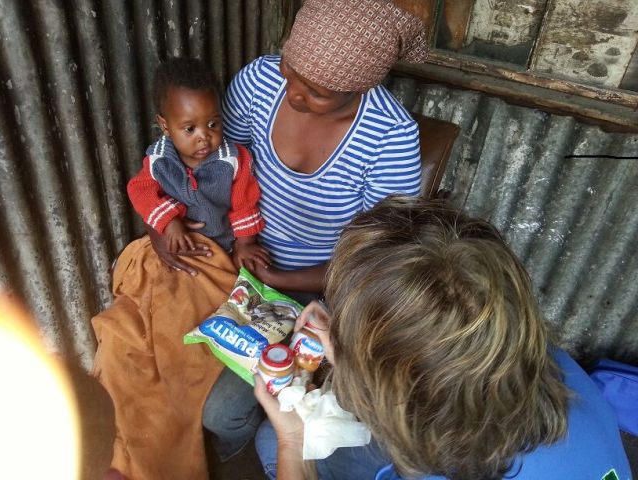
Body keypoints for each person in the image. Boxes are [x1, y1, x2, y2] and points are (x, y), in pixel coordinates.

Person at [193, 0, 430, 461]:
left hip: (322, 286)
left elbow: (375, 257)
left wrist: (280, 279)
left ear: (361, 87)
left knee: (223, 415)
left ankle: (252, 448)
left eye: (317, 92)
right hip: (240, 251)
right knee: (174, 365)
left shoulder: (389, 136)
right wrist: (190, 224)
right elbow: (222, 166)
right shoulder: (260, 81)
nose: (294, 94)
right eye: (290, 69)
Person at [253, 195, 633, 480]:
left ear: (399, 402)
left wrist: (293, 443)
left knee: (275, 443)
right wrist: (349, 350)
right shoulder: (539, 356)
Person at [127, 57, 269, 272]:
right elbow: (139, 190)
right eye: (190, 129)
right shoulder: (159, 160)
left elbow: (245, 204)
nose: (204, 136)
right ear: (165, 126)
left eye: (213, 124)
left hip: (219, 248)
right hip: (176, 243)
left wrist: (245, 244)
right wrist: (169, 221)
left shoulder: (233, 161)